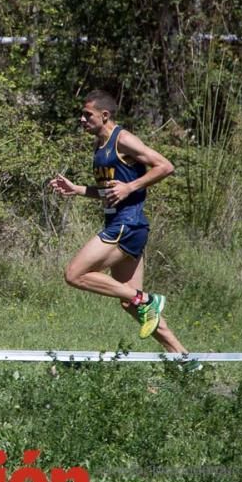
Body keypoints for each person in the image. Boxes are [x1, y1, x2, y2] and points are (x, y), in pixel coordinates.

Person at [49, 89, 189, 353]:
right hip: (123, 225)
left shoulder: (122, 139)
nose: (81, 119)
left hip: (127, 224)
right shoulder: (99, 146)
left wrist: (130, 187)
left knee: (74, 274)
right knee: (130, 304)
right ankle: (182, 358)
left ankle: (147, 299)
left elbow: (165, 166)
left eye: (86, 114)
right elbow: (111, 189)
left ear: (104, 115)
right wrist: (78, 189)